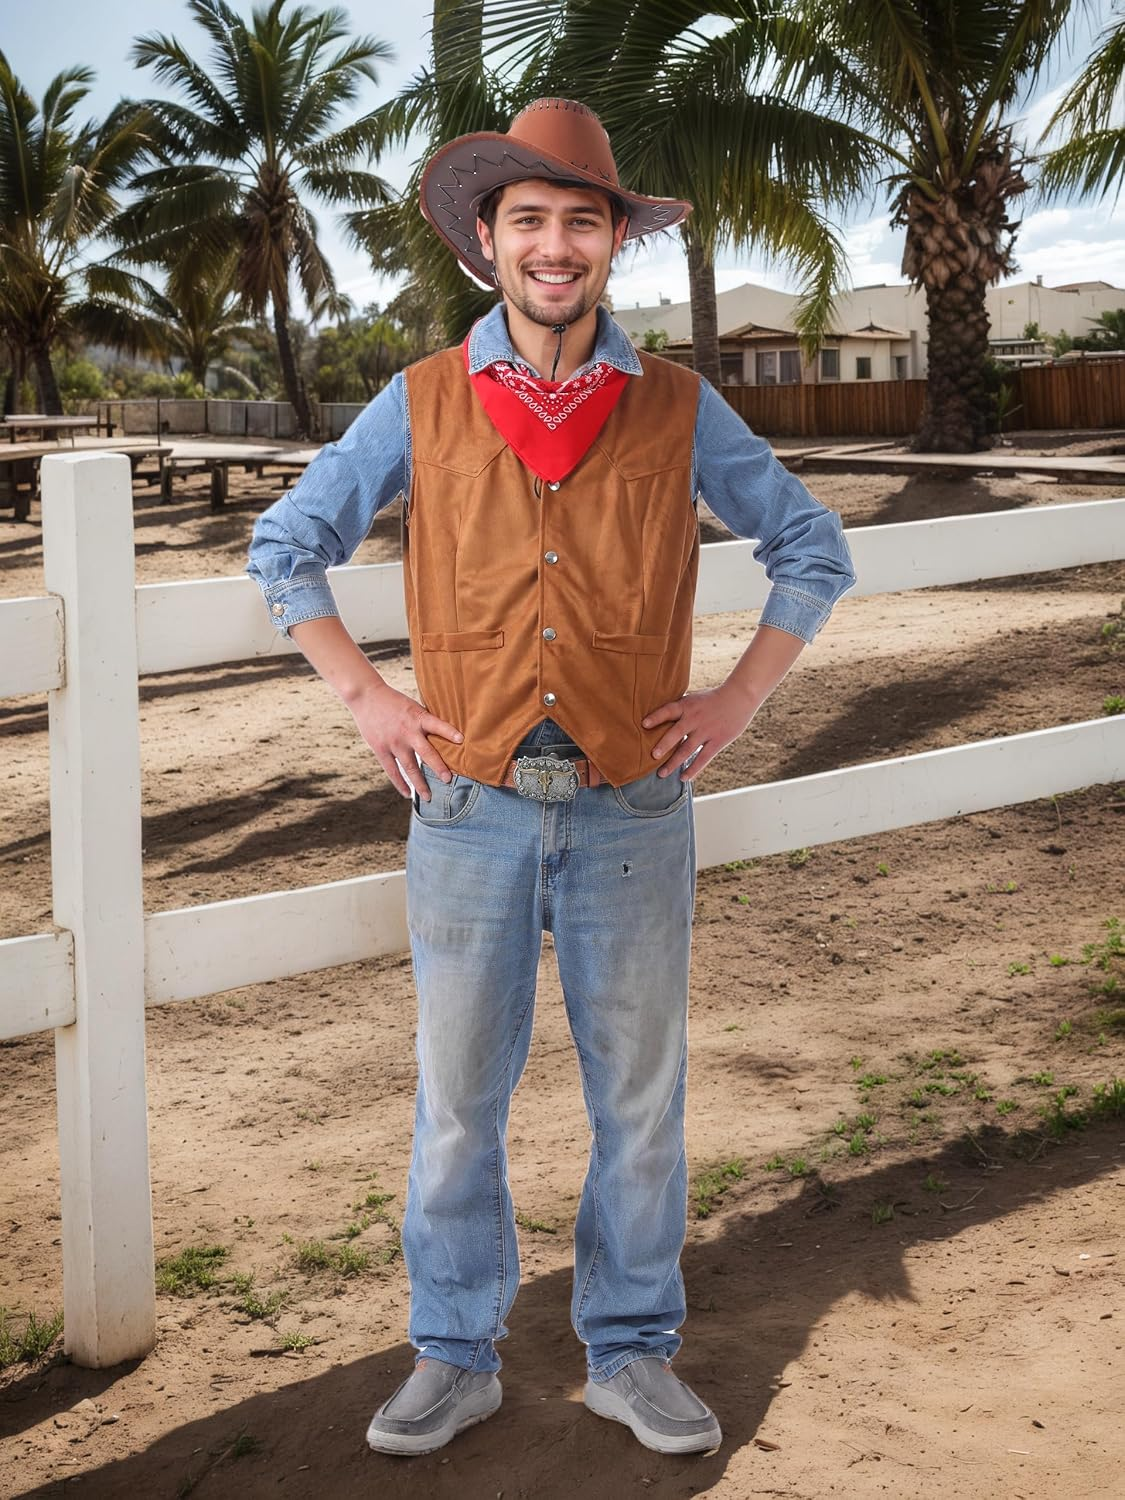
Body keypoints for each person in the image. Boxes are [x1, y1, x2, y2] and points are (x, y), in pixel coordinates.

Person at [248, 97, 855, 1459]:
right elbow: (286, 548)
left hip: (633, 807)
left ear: (613, 243)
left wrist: (739, 696)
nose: (556, 245)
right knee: (457, 1098)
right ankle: (453, 1352)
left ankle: (631, 1350)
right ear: (490, 239)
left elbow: (815, 550)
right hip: (465, 810)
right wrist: (366, 697)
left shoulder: (678, 407)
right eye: (529, 219)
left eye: (583, 219)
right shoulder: (419, 401)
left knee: (638, 1096)